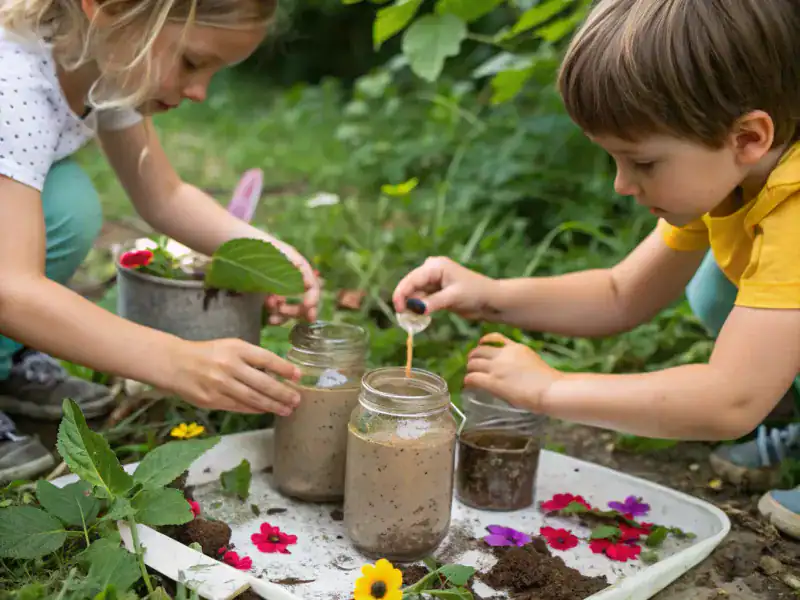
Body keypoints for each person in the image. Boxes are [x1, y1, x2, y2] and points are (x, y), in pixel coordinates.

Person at [393, 0, 800, 538]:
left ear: (748, 138)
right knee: (715, 291)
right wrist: (490, 294)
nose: (622, 184)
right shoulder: (730, 178)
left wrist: (550, 390)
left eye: (643, 162)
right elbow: (621, 293)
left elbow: (731, 399)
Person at [0, 0, 320, 482]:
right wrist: (175, 361)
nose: (199, 92)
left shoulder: (104, 61)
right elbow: (11, 289)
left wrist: (266, 255)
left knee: (67, 204)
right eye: (191, 62)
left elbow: (164, 196)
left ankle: (4, 361)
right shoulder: (13, 84)